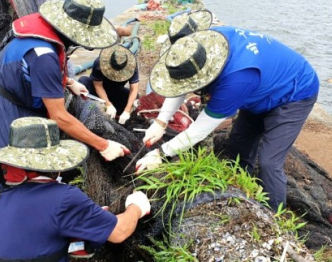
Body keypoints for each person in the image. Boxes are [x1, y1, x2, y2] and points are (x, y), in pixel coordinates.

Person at [135, 26, 319, 212]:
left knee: (269, 162)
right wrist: (160, 121)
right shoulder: (205, 43)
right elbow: (180, 84)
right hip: (259, 88)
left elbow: (200, 130)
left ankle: (275, 214)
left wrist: (161, 154)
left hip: (295, 93)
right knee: (239, 146)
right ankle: (245, 192)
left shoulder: (236, 80)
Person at [0, 0, 130, 183]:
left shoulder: (41, 28)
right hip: (2, 117)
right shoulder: (44, 55)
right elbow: (59, 117)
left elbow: (27, 71)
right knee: (25, 183)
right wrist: (103, 145)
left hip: (10, 100)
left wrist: (69, 82)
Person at [0, 117, 150, 261]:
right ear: (57, 164)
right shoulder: (64, 197)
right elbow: (120, 232)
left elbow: (27, 234)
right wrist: (136, 207)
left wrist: (85, 222)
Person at [79, 44, 139, 125]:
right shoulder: (99, 62)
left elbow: (134, 89)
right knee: (83, 81)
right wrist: (108, 104)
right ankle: (90, 110)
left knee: (135, 98)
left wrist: (127, 111)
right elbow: (98, 85)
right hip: (98, 91)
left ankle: (118, 116)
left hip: (115, 91)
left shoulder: (132, 65)